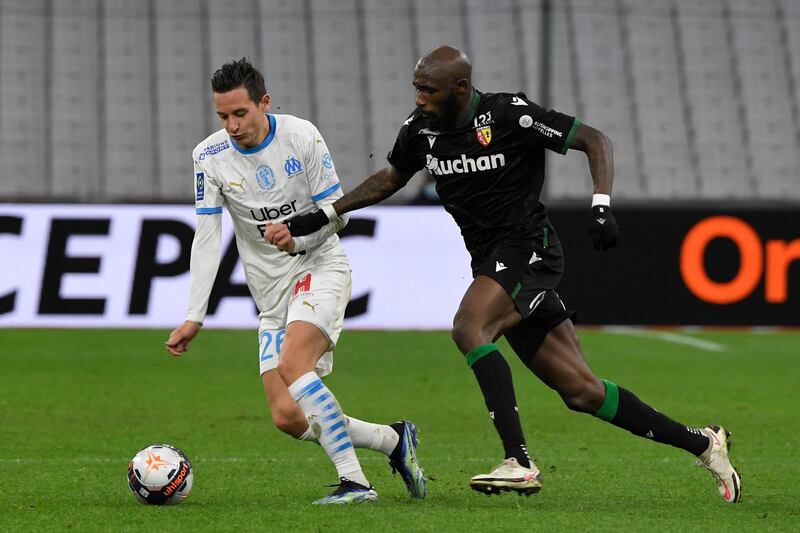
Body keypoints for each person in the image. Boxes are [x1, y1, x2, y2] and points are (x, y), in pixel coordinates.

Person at [284, 45, 741, 503]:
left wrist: (601, 204)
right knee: (583, 392)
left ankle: (518, 462)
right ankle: (703, 443)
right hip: (491, 261)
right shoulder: (420, 129)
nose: (420, 98)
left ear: (460, 88)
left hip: (529, 250)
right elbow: (389, 178)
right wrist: (327, 213)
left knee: (469, 327)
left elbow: (595, 140)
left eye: (429, 90)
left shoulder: (508, 115)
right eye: (417, 88)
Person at [164, 58, 426, 505]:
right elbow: (206, 237)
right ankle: (393, 441)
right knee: (287, 415)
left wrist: (299, 231)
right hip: (270, 298)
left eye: (240, 114)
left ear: (263, 103)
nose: (231, 125)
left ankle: (356, 483)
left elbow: (336, 214)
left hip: (319, 268)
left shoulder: (301, 136)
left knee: (293, 365)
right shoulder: (207, 156)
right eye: (223, 116)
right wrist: (194, 316)